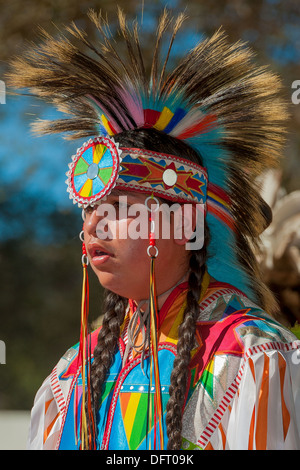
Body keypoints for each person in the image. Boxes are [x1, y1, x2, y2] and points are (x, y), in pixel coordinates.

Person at [8, 9, 300, 450]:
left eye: (120, 207)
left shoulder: (249, 357)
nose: (93, 224)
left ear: (184, 224)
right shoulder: (72, 374)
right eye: (89, 208)